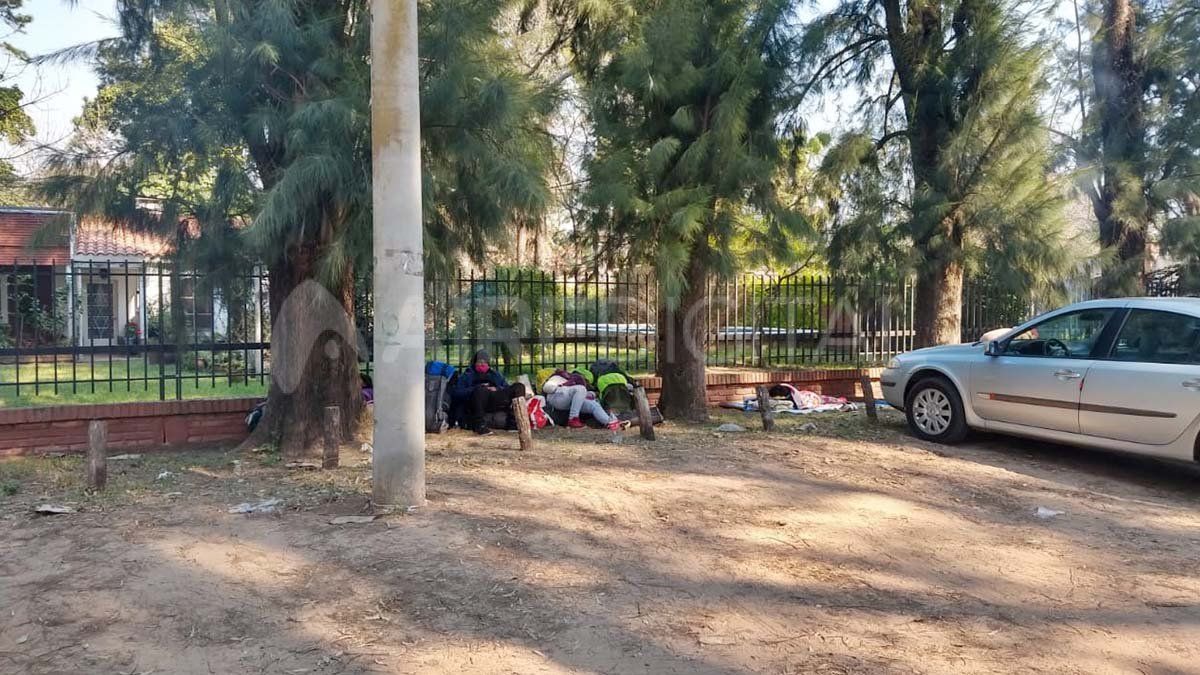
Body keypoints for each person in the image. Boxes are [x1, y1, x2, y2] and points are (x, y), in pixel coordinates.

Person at [454, 350, 525, 435]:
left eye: (485, 362)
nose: (482, 364)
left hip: (495, 397)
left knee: (519, 387)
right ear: (474, 363)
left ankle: (513, 423)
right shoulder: (467, 375)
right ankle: (480, 426)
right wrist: (476, 388)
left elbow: (506, 386)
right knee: (481, 390)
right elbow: (457, 393)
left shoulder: (495, 374)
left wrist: (497, 388)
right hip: (477, 401)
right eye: (479, 362)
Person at [542, 368, 627, 431]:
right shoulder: (560, 377)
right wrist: (562, 387)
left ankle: (609, 422)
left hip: (570, 403)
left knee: (593, 404)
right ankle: (573, 419)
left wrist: (591, 394)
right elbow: (547, 388)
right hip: (556, 398)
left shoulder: (579, 386)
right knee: (581, 389)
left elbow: (579, 394)